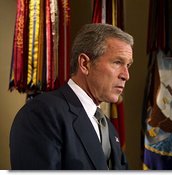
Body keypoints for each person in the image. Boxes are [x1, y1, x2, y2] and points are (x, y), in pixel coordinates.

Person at [9, 23, 134, 170]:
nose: (126, 75)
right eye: (117, 62)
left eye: (128, 66)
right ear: (85, 64)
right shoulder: (41, 114)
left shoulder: (108, 127)